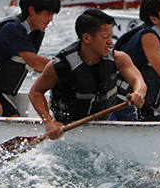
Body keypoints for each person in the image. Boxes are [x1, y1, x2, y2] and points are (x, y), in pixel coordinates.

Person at [28, 9, 147, 139]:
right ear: (87, 38)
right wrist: (49, 122)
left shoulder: (118, 58)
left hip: (103, 127)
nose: (111, 42)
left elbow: (139, 81)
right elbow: (35, 92)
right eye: (105, 37)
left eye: (111, 36)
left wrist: (138, 94)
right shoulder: (61, 65)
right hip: (68, 132)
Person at [0, 0, 61, 117]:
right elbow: (34, 62)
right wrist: (66, 67)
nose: (51, 19)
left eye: (53, 14)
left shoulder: (36, 33)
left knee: (14, 119)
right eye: (47, 13)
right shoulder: (13, 28)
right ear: (31, 10)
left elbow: (41, 67)